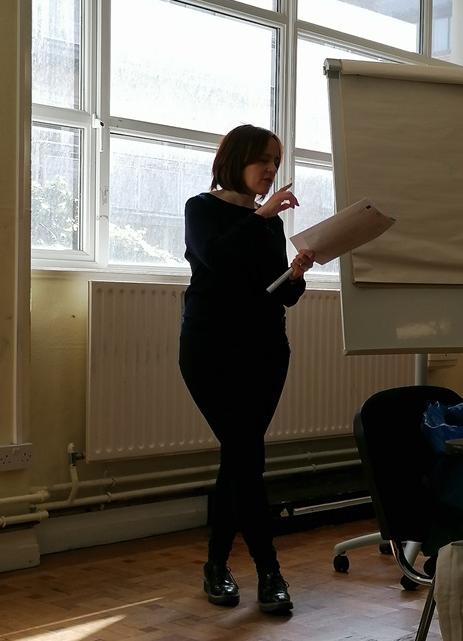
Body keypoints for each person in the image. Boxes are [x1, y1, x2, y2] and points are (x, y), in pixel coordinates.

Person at [179, 124, 314, 614]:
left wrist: (295, 273)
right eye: (263, 160)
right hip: (210, 350)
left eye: (276, 161)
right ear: (236, 160)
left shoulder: (268, 224)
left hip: (265, 351)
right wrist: (260, 216)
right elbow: (217, 259)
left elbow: (277, 293)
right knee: (245, 456)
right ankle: (269, 571)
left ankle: (217, 565)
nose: (271, 169)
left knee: (238, 458)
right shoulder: (202, 208)